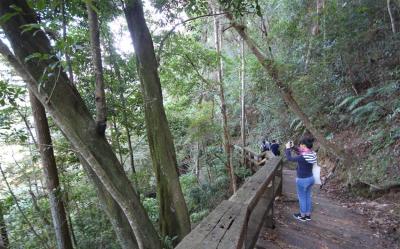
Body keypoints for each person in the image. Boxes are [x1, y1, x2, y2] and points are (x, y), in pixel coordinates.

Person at [285, 137, 317, 222]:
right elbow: (301, 150)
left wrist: (287, 149)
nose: (299, 146)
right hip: (311, 179)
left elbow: (289, 158)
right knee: (307, 197)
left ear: (303, 145)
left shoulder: (303, 157)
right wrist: (293, 147)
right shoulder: (312, 153)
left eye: (301, 145)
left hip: (302, 180)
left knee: (302, 198)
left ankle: (302, 216)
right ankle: (308, 215)